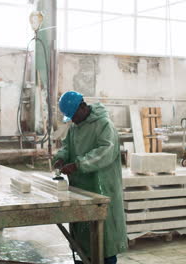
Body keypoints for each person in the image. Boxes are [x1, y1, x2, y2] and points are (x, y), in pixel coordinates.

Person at [53, 91, 128, 264]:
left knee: (104, 238)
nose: (72, 120)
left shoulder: (104, 125)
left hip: (101, 187)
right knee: (82, 239)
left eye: (74, 116)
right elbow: (67, 146)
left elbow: (105, 152)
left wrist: (79, 164)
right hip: (80, 188)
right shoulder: (75, 127)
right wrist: (61, 158)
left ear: (83, 107)